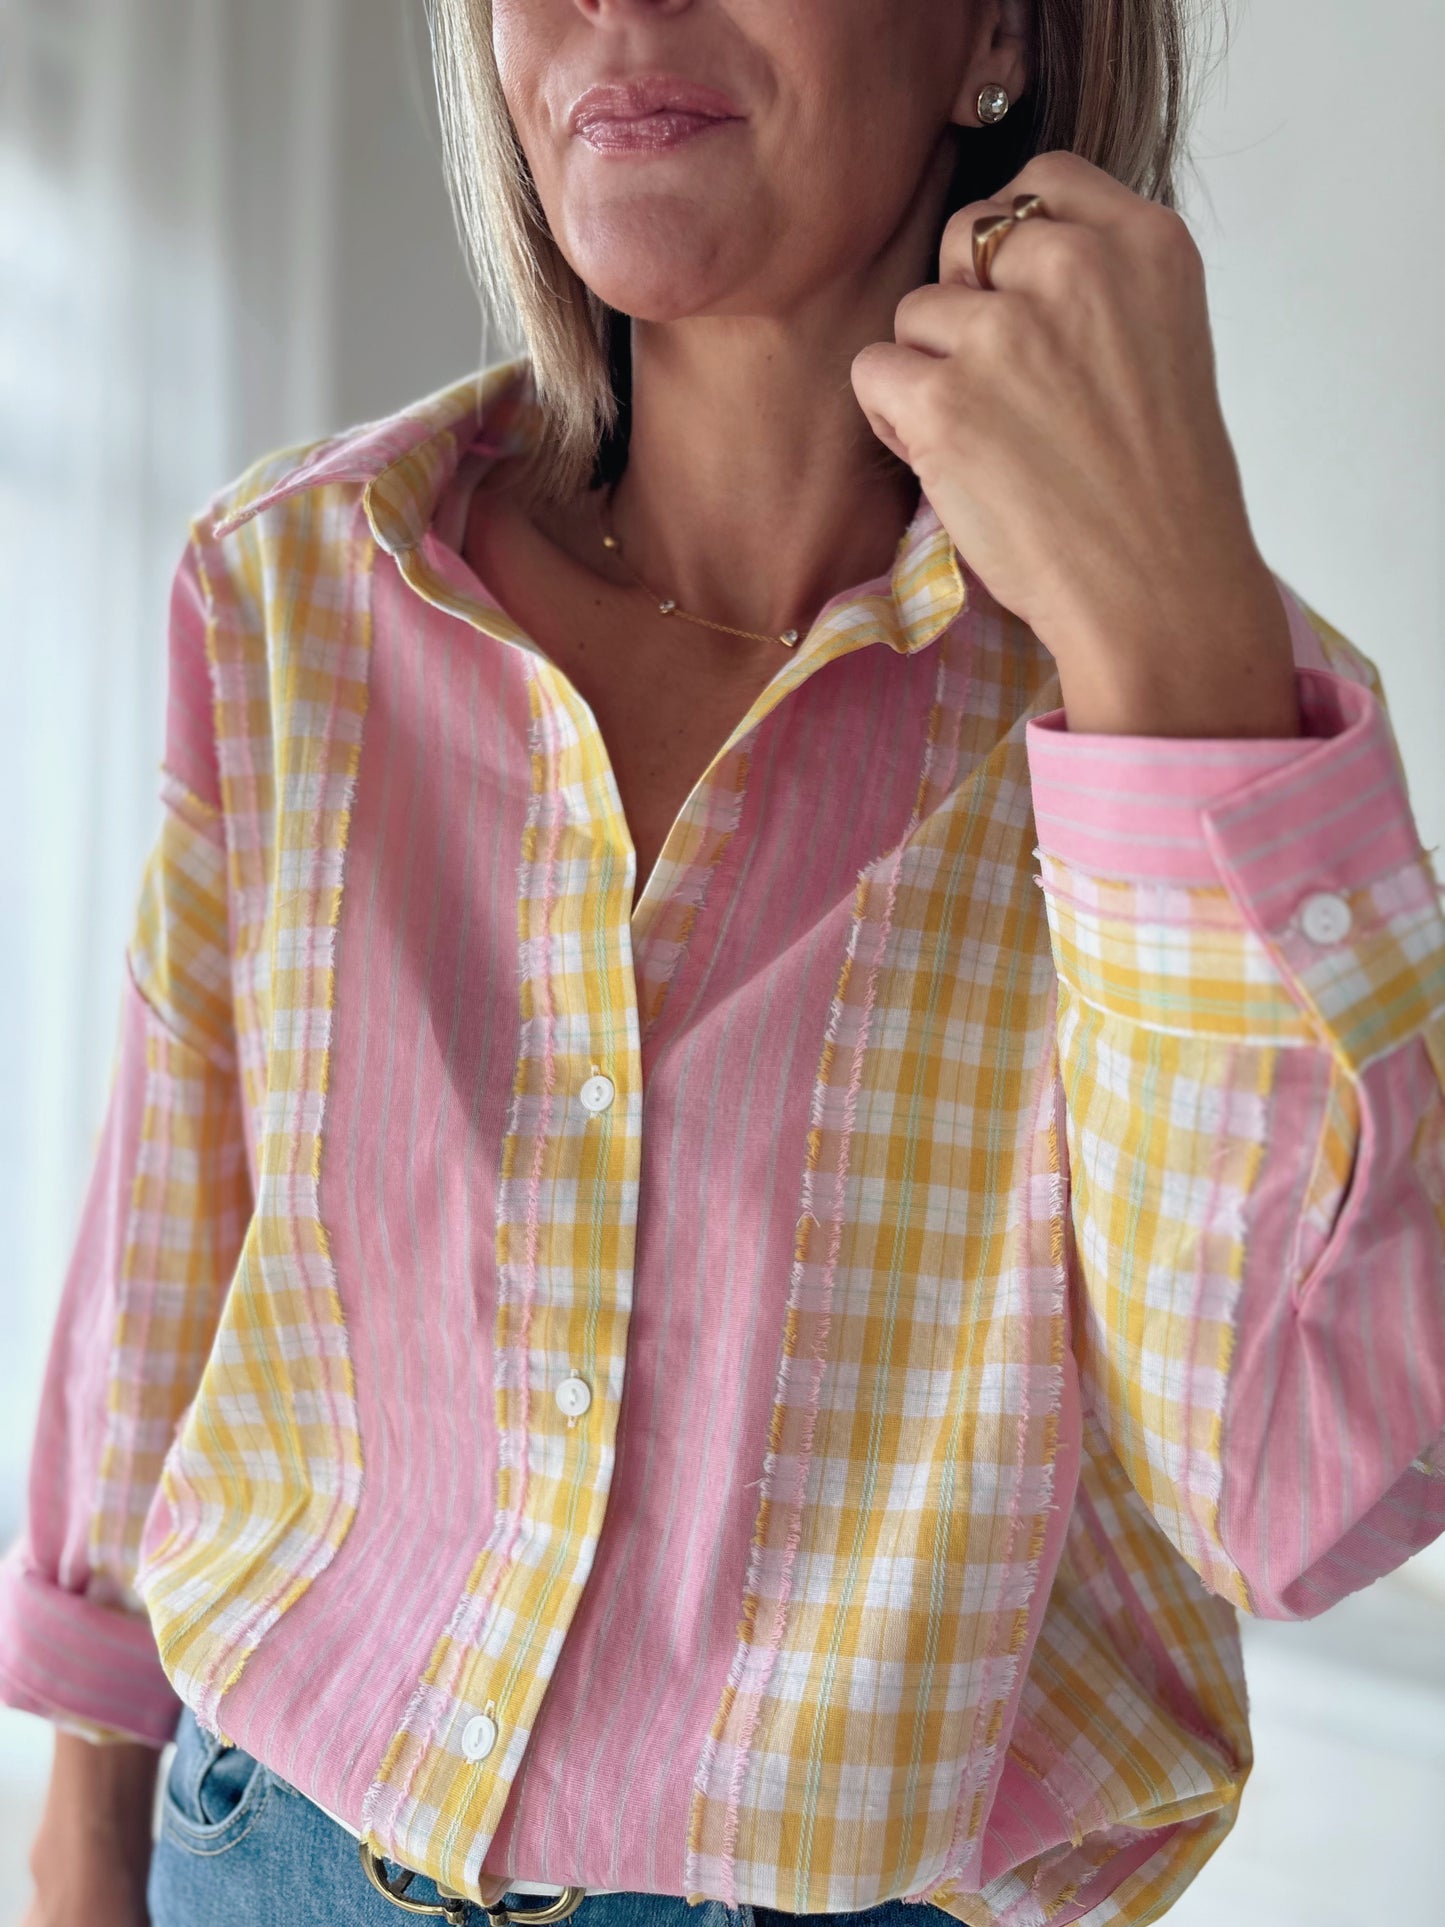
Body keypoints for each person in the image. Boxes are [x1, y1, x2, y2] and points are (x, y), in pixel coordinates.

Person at [6, 0, 1444, 1923]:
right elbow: (170, 1257)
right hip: (254, 1850)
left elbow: (1300, 1487)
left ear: (994, 32)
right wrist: (87, 1832)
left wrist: (1167, 647)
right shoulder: (289, 586)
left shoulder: (1207, 730)